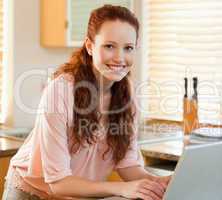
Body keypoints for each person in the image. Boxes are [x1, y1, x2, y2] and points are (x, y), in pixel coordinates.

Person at [2, 5, 170, 200]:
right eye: (109, 46)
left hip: (76, 194)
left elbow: (127, 164)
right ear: (90, 46)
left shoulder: (127, 94)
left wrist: (159, 183)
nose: (120, 57)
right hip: (30, 193)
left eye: (128, 48)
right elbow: (58, 183)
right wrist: (120, 188)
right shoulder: (61, 91)